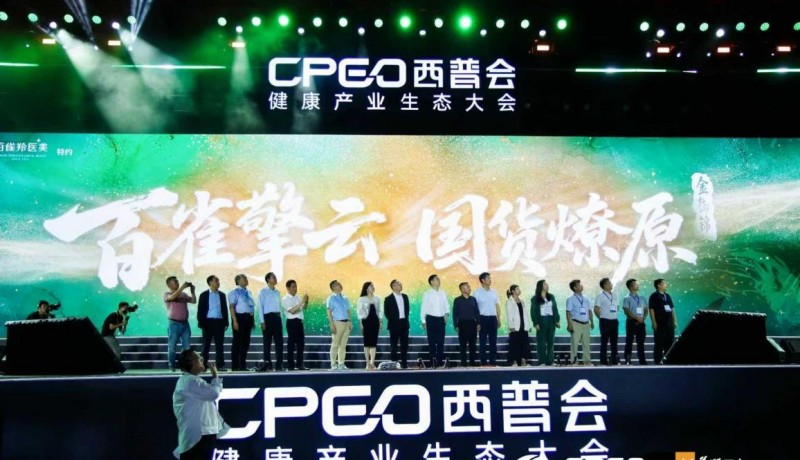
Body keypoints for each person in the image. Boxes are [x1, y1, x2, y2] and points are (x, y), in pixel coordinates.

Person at [172, 348, 229, 460]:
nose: (202, 360)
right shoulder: (190, 381)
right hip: (200, 435)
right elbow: (214, 394)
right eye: (199, 358)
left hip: (203, 434)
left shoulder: (191, 380)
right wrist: (215, 376)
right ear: (189, 362)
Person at [165, 276, 197, 371]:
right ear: (169, 285)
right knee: (172, 347)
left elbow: (193, 301)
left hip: (185, 324)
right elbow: (172, 297)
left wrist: (192, 291)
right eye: (175, 282)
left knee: (187, 347)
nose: (177, 283)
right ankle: (172, 365)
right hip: (173, 324)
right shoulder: (167, 294)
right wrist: (182, 287)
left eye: (177, 281)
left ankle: (185, 366)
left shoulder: (183, 294)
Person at [198, 275, 228, 371]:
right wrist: (201, 323)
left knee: (219, 345)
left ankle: (220, 365)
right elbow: (200, 310)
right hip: (208, 323)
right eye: (216, 281)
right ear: (210, 282)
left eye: (218, 281)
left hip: (219, 322)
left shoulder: (222, 295)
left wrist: (226, 322)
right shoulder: (203, 295)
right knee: (206, 345)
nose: (218, 283)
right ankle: (203, 366)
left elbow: (225, 309)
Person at [228, 274, 255, 371]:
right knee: (237, 342)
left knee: (246, 343)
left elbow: (251, 306)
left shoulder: (249, 292)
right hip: (239, 318)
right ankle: (235, 366)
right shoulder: (234, 292)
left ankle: (243, 365)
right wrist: (235, 321)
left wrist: (252, 320)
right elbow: (232, 307)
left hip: (249, 317)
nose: (247, 280)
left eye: (246, 278)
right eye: (244, 279)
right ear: (238, 281)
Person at [421, 274, 449, 369]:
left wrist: (447, 314)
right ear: (431, 282)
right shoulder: (427, 293)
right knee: (432, 342)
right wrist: (423, 320)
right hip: (431, 319)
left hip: (441, 319)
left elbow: (446, 305)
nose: (439, 280)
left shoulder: (443, 293)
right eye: (437, 279)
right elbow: (423, 307)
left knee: (441, 342)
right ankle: (432, 362)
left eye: (439, 279)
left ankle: (440, 362)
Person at [474, 272, 501, 367]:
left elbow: (497, 305)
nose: (490, 280)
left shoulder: (494, 292)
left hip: (493, 318)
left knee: (493, 341)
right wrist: (477, 322)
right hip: (482, 318)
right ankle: (484, 361)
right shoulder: (477, 292)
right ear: (482, 280)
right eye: (488, 278)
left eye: (490, 278)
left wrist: (499, 318)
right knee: (483, 341)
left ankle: (493, 361)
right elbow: (475, 308)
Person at [531, 280, 560, 366]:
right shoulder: (535, 298)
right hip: (541, 321)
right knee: (541, 342)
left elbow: (555, 309)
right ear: (540, 286)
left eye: (547, 284)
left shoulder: (551, 297)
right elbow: (533, 311)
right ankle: (542, 361)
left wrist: (557, 320)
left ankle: (550, 361)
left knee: (551, 342)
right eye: (545, 284)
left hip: (551, 320)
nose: (547, 285)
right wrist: (535, 323)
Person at [258, 272, 283, 372]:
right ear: (268, 279)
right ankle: (268, 365)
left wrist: (280, 318)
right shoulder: (263, 291)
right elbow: (260, 306)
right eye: (273, 277)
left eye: (276, 277)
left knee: (279, 342)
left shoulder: (277, 292)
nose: (276, 279)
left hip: (277, 317)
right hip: (267, 318)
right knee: (267, 343)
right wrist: (262, 321)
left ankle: (279, 365)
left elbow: (279, 306)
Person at [282, 279, 309, 371]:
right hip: (292, 322)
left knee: (301, 344)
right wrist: (301, 302)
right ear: (288, 288)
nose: (295, 288)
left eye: (296, 286)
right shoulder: (285, 299)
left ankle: (300, 364)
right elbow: (292, 311)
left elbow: (304, 308)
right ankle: (290, 365)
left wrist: (306, 301)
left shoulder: (298, 297)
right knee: (292, 344)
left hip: (300, 322)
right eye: (293, 286)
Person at [566, 279, 594, 366]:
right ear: (574, 288)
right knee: (574, 343)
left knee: (586, 343)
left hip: (586, 323)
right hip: (576, 323)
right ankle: (574, 361)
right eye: (579, 285)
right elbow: (568, 311)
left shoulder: (586, 298)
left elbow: (589, 310)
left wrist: (592, 321)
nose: (581, 286)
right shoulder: (570, 299)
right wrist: (569, 323)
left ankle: (587, 361)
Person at [649, 278, 677, 364]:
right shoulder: (654, 296)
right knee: (659, 344)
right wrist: (653, 322)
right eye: (664, 283)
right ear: (659, 285)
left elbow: (672, 309)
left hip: (669, 324)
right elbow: (651, 309)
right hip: (660, 324)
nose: (666, 285)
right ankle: (658, 363)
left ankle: (668, 362)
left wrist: (675, 321)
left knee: (669, 343)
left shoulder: (667, 296)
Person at [452, 282, 480, 367]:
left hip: (472, 324)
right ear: (462, 289)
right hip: (462, 324)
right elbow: (455, 313)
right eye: (467, 287)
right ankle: (463, 363)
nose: (469, 288)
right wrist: (456, 325)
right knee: (463, 345)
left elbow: (477, 312)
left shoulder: (473, 299)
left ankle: (472, 363)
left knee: (473, 345)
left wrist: (478, 323)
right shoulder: (457, 300)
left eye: (469, 287)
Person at [384, 279, 410, 368]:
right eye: (398, 284)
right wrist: (394, 320)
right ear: (393, 287)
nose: (400, 285)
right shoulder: (388, 299)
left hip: (404, 323)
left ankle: (404, 364)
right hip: (394, 324)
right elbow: (386, 313)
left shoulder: (405, 297)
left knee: (404, 345)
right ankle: (394, 364)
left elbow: (407, 310)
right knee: (394, 346)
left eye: (400, 283)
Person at [326, 280, 352, 370]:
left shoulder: (345, 298)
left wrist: (350, 322)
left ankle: (341, 364)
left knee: (343, 345)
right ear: (333, 288)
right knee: (335, 344)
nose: (340, 285)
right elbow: (329, 312)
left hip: (346, 323)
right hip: (337, 322)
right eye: (337, 285)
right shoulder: (331, 298)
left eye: (340, 284)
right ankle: (333, 364)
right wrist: (331, 324)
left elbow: (348, 311)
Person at [594, 277, 620, 366]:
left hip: (614, 321)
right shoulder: (600, 296)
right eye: (609, 283)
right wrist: (601, 318)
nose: (611, 284)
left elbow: (617, 307)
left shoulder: (615, 295)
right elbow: (596, 309)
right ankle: (603, 361)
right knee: (604, 342)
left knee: (614, 342)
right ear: (604, 285)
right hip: (605, 321)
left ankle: (615, 360)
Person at [357, 281, 383, 370]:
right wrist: (361, 323)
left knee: (373, 343)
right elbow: (360, 311)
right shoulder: (361, 299)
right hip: (366, 322)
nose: (373, 287)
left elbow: (379, 310)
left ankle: (372, 362)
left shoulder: (377, 298)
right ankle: (367, 363)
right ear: (366, 288)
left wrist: (380, 321)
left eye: (373, 285)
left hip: (375, 321)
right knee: (367, 343)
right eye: (371, 286)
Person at [622, 278, 648, 365]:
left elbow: (646, 309)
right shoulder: (627, 298)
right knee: (629, 341)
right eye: (636, 284)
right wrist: (637, 318)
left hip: (641, 322)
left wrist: (643, 318)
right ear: (631, 286)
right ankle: (627, 360)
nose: (638, 285)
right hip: (631, 322)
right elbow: (626, 310)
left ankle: (642, 361)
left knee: (641, 343)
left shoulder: (642, 298)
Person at [506, 285, 533, 367]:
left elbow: (525, 315)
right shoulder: (509, 301)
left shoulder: (522, 301)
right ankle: (514, 362)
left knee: (524, 344)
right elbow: (509, 315)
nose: (519, 290)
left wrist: (528, 325)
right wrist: (511, 326)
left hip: (523, 326)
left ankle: (523, 361)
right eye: (517, 289)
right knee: (514, 344)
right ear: (513, 291)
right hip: (515, 327)